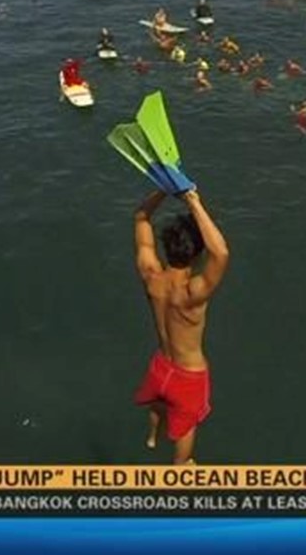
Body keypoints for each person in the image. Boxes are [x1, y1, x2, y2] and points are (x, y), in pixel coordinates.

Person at [132, 189, 229, 465]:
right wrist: (194, 202)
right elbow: (220, 253)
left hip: (161, 366)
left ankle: (152, 438)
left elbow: (141, 218)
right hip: (189, 378)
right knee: (186, 426)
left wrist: (163, 189)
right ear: (197, 253)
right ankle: (179, 473)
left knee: (159, 403)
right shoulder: (192, 294)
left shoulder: (151, 275)